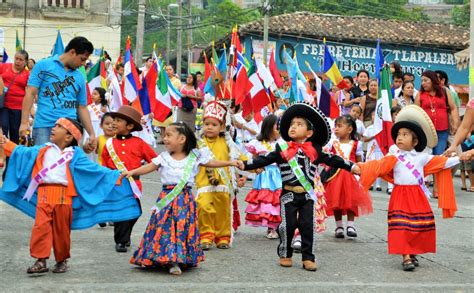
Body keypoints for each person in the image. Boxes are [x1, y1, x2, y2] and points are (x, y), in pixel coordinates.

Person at [0, 118, 141, 274]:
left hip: (64, 197)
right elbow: (22, 152)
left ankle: (61, 260)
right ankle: (41, 260)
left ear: (68, 137)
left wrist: (115, 175)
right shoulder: (43, 149)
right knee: (40, 228)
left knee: (62, 231)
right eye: (54, 125)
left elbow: (94, 170)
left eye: (59, 126)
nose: (53, 128)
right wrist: (6, 143)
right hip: (44, 196)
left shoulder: (75, 155)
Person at [241, 101, 361, 271]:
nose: (293, 127)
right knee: (286, 226)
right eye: (291, 124)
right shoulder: (281, 148)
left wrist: (351, 166)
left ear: (309, 132)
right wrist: (244, 165)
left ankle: (308, 257)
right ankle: (285, 254)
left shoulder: (315, 150)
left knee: (307, 226)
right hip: (288, 195)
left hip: (307, 196)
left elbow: (332, 159)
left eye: (299, 125)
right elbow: (264, 159)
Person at [126, 122, 240, 275]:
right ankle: (163, 257)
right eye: (164, 135)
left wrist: (230, 162)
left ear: (182, 139)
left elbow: (211, 162)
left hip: (185, 200)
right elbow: (149, 167)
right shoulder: (163, 157)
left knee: (181, 228)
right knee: (164, 229)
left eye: (168, 135)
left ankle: (177, 260)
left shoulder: (194, 156)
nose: (164, 139)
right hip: (166, 198)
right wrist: (131, 172)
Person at [357, 105, 459, 271]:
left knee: (418, 225)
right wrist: (359, 167)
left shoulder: (422, 158)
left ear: (416, 141)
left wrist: (461, 157)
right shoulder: (393, 157)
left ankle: (413, 252)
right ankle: (405, 256)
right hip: (400, 195)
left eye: (405, 135)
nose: (400, 138)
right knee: (402, 226)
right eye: (398, 134)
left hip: (417, 196)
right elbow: (377, 166)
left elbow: (442, 162)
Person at [19, 36, 97, 152]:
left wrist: (91, 133)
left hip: (69, 130)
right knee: (43, 165)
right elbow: (30, 94)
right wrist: (24, 122)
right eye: (82, 59)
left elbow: (82, 107)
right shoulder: (43, 65)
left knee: (66, 166)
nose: (83, 64)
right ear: (72, 52)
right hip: (44, 126)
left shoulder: (79, 77)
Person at [101, 106, 157, 253]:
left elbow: (156, 160)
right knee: (121, 212)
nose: (113, 123)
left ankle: (125, 234)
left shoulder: (139, 143)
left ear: (130, 126)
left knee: (136, 211)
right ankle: (121, 240)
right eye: (114, 120)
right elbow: (104, 164)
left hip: (134, 185)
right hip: (117, 184)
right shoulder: (109, 145)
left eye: (118, 120)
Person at [196, 100, 246, 250]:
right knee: (203, 207)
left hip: (224, 184)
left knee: (223, 211)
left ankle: (222, 237)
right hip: (204, 183)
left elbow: (239, 157)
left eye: (214, 124)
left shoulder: (227, 142)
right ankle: (205, 236)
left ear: (222, 126)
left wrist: (253, 168)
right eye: (207, 124)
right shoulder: (198, 142)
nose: (209, 127)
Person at [323, 115, 372, 238]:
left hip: (351, 176)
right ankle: (339, 226)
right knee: (336, 201)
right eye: (335, 127)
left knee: (352, 200)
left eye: (340, 126)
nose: (336, 129)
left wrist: (362, 173)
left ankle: (351, 224)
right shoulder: (332, 144)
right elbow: (328, 158)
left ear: (349, 129)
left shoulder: (356, 144)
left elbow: (360, 160)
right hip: (335, 175)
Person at [244, 114, 282, 239]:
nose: (280, 130)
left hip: (279, 174)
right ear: (269, 128)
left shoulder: (283, 143)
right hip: (265, 176)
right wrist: (254, 170)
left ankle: (278, 225)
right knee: (267, 203)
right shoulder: (258, 143)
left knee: (278, 201)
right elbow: (254, 161)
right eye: (277, 127)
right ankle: (271, 227)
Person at [0, 50, 30, 145]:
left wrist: (30, 110)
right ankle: (3, 153)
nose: (17, 61)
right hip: (3, 104)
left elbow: (29, 93)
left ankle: (12, 157)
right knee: (3, 127)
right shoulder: (4, 66)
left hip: (18, 107)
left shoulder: (27, 74)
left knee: (15, 132)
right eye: (16, 58)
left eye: (21, 60)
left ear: (25, 62)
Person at [362, 110, 384, 191]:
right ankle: (370, 183)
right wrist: (374, 136)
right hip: (371, 152)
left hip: (379, 151)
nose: (375, 117)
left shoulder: (382, 129)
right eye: (373, 115)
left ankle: (378, 185)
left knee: (379, 168)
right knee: (370, 168)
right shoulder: (369, 128)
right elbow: (365, 139)